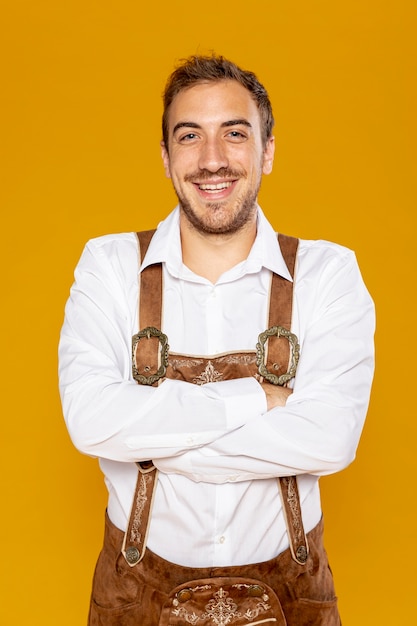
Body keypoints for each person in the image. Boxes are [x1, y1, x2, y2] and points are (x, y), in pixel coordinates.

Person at [58, 54, 375, 625]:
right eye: (189, 136)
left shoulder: (329, 274)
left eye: (234, 133)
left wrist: (152, 442)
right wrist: (260, 399)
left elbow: (330, 440)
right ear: (165, 157)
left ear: (267, 151)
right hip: (134, 601)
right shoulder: (107, 266)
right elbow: (89, 421)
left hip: (293, 600)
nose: (212, 160)